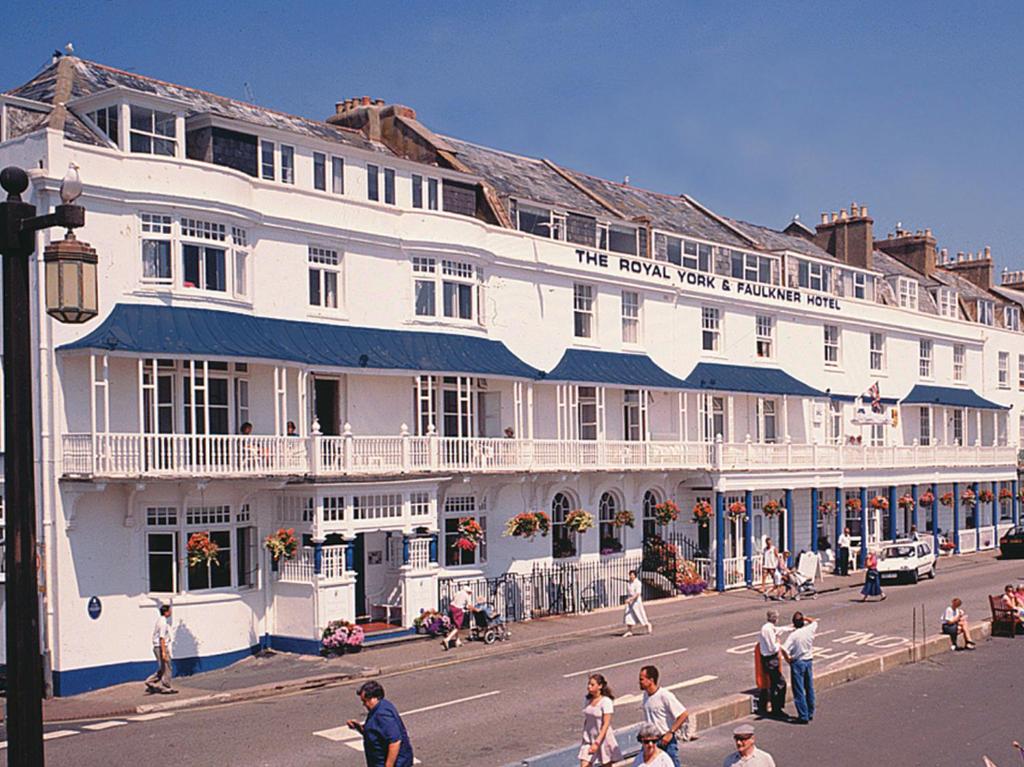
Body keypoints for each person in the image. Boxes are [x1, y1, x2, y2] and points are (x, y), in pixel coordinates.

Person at [346, 680, 415, 767]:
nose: (364, 704)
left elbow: (395, 741)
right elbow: (376, 733)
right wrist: (358, 727)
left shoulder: (382, 714)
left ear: (374, 698)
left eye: (365, 701)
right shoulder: (380, 707)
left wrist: (388, 765)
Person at [639, 665, 688, 767]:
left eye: (642, 679)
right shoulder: (645, 695)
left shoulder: (664, 695)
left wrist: (670, 733)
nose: (639, 682)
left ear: (651, 680)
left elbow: (683, 714)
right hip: (650, 740)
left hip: (664, 741)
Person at [578, 674, 622, 766]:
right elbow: (587, 720)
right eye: (589, 684)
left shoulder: (606, 702)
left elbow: (606, 723)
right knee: (584, 764)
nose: (589, 687)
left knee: (606, 764)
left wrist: (597, 742)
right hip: (589, 739)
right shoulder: (587, 700)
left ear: (600, 686)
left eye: (592, 684)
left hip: (602, 739)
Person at [781, 611, 817, 724]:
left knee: (799, 690)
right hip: (808, 660)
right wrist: (805, 618)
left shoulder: (794, 635)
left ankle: (803, 715)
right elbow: (814, 621)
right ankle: (810, 712)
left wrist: (787, 659)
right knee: (809, 688)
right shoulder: (809, 629)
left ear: (793, 624)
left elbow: (784, 649)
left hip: (797, 662)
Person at [757, 609, 787, 718]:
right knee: (780, 684)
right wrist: (779, 644)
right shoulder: (767, 630)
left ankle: (776, 707)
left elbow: (777, 630)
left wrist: (789, 628)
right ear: (775, 618)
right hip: (770, 659)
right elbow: (772, 648)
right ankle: (777, 708)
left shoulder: (769, 628)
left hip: (769, 659)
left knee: (775, 684)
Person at [144, 604, 176, 694]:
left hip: (158, 647)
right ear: (166, 612)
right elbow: (161, 638)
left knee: (163, 668)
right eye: (169, 610)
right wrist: (164, 652)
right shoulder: (163, 623)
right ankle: (166, 687)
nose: (171, 612)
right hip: (161, 647)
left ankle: (150, 682)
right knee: (167, 667)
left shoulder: (161, 620)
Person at [442, 586, 473, 650]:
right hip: (458, 610)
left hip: (452, 608)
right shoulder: (466, 595)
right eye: (470, 592)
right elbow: (469, 606)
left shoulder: (458, 593)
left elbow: (454, 600)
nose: (470, 594)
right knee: (458, 627)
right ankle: (447, 639)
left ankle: (457, 641)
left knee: (455, 625)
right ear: (468, 591)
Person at [623, 570, 652, 636]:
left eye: (632, 575)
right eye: (630, 575)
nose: (631, 576)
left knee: (640, 614)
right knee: (628, 616)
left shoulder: (638, 583)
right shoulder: (629, 583)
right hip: (630, 602)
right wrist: (629, 599)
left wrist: (631, 599)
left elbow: (638, 594)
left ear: (635, 575)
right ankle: (629, 630)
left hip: (636, 602)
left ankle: (647, 624)